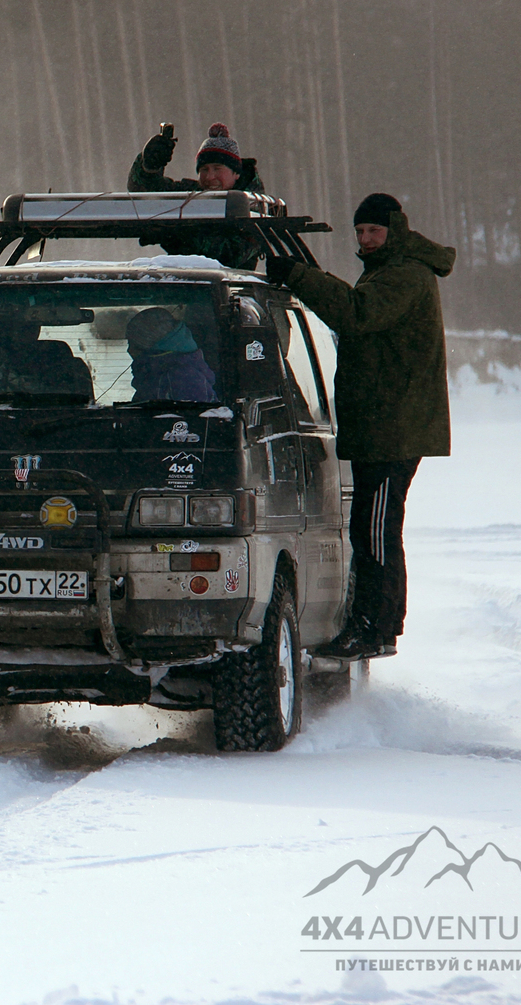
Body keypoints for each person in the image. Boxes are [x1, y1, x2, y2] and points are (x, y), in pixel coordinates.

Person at [265, 193, 454, 660]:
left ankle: (374, 627)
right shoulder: (387, 271)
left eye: (374, 232)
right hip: (382, 426)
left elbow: (356, 313)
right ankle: (375, 623)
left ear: (395, 231)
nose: (366, 240)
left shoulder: (405, 274)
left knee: (375, 531)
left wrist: (298, 275)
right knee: (372, 529)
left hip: (395, 429)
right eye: (361, 233)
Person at [128, 122, 266, 269]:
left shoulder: (255, 207)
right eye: (204, 170)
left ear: (236, 173)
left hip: (233, 287)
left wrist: (175, 233)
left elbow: (229, 256)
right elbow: (147, 195)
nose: (210, 177)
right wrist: (149, 167)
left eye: (217, 169)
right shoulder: (190, 197)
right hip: (182, 284)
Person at [125, 307, 217, 402]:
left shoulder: (183, 378)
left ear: (150, 347)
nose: (129, 350)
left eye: (133, 344)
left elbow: (195, 415)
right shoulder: (157, 375)